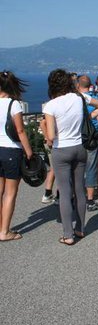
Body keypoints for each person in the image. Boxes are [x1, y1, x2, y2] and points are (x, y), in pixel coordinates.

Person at [43, 69, 98, 245]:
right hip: (80, 147)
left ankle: (68, 234)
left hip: (61, 150)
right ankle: (80, 229)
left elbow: (52, 136)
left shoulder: (51, 105)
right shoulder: (79, 98)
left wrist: (46, 133)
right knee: (80, 190)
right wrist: (87, 119)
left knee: (65, 192)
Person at [0, 71, 33, 242]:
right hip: (11, 150)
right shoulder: (14, 105)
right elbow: (20, 131)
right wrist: (29, 153)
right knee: (10, 193)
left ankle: (0, 226)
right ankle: (5, 231)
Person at [78, 75, 98, 212]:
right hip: (92, 136)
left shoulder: (75, 100)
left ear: (78, 85)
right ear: (90, 85)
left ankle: (75, 196)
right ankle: (90, 200)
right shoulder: (94, 100)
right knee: (91, 168)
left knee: (77, 168)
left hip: (77, 137)